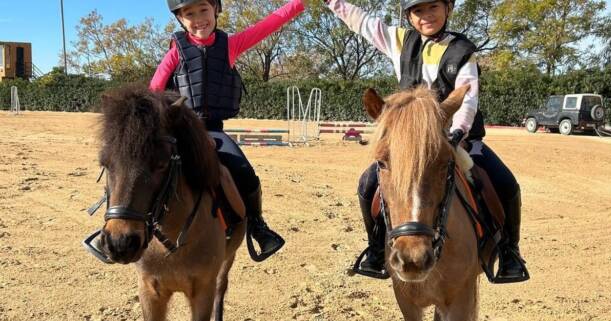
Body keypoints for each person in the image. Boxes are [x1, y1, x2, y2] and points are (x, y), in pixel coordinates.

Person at [325, 0, 528, 282]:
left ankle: (510, 252)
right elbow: (362, 22)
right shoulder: (399, 41)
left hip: (456, 139)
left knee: (505, 183)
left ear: (448, 8)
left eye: (433, 7)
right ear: (409, 16)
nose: (426, 16)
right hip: (409, 142)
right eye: (418, 11)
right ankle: (375, 249)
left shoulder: (462, 50)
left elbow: (467, 99)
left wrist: (456, 133)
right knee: (367, 183)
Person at [151, 0, 305, 262]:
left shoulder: (230, 46)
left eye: (204, 10)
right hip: (181, 128)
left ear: (216, 10)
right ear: (180, 19)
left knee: (245, 171)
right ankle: (127, 222)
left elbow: (268, 24)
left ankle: (257, 226)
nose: (198, 18)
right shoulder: (176, 51)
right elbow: (154, 90)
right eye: (190, 13)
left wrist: (299, 4)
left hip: (212, 130)